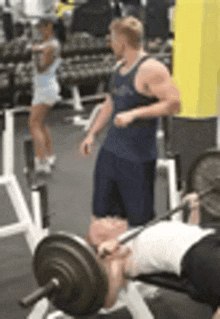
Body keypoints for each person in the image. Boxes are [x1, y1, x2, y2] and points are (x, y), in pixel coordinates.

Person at [80, 16, 181, 227]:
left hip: (137, 158)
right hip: (110, 153)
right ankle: (110, 258)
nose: (110, 44)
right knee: (103, 217)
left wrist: (134, 114)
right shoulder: (118, 68)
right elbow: (110, 103)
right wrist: (92, 133)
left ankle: (138, 260)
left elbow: (174, 104)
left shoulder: (151, 68)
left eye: (112, 40)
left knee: (139, 222)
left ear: (122, 42)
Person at [86, 193, 220, 315]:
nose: (112, 219)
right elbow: (110, 299)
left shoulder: (132, 234)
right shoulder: (113, 256)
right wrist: (110, 257)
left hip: (207, 236)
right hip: (193, 254)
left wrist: (193, 209)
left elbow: (187, 232)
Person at [29, 14, 61, 174]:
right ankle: (49, 156)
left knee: (34, 124)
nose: (39, 29)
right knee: (42, 124)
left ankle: (41, 163)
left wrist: (35, 54)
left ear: (49, 27)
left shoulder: (50, 46)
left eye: (42, 26)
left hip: (45, 88)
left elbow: (42, 68)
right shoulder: (47, 44)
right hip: (45, 87)